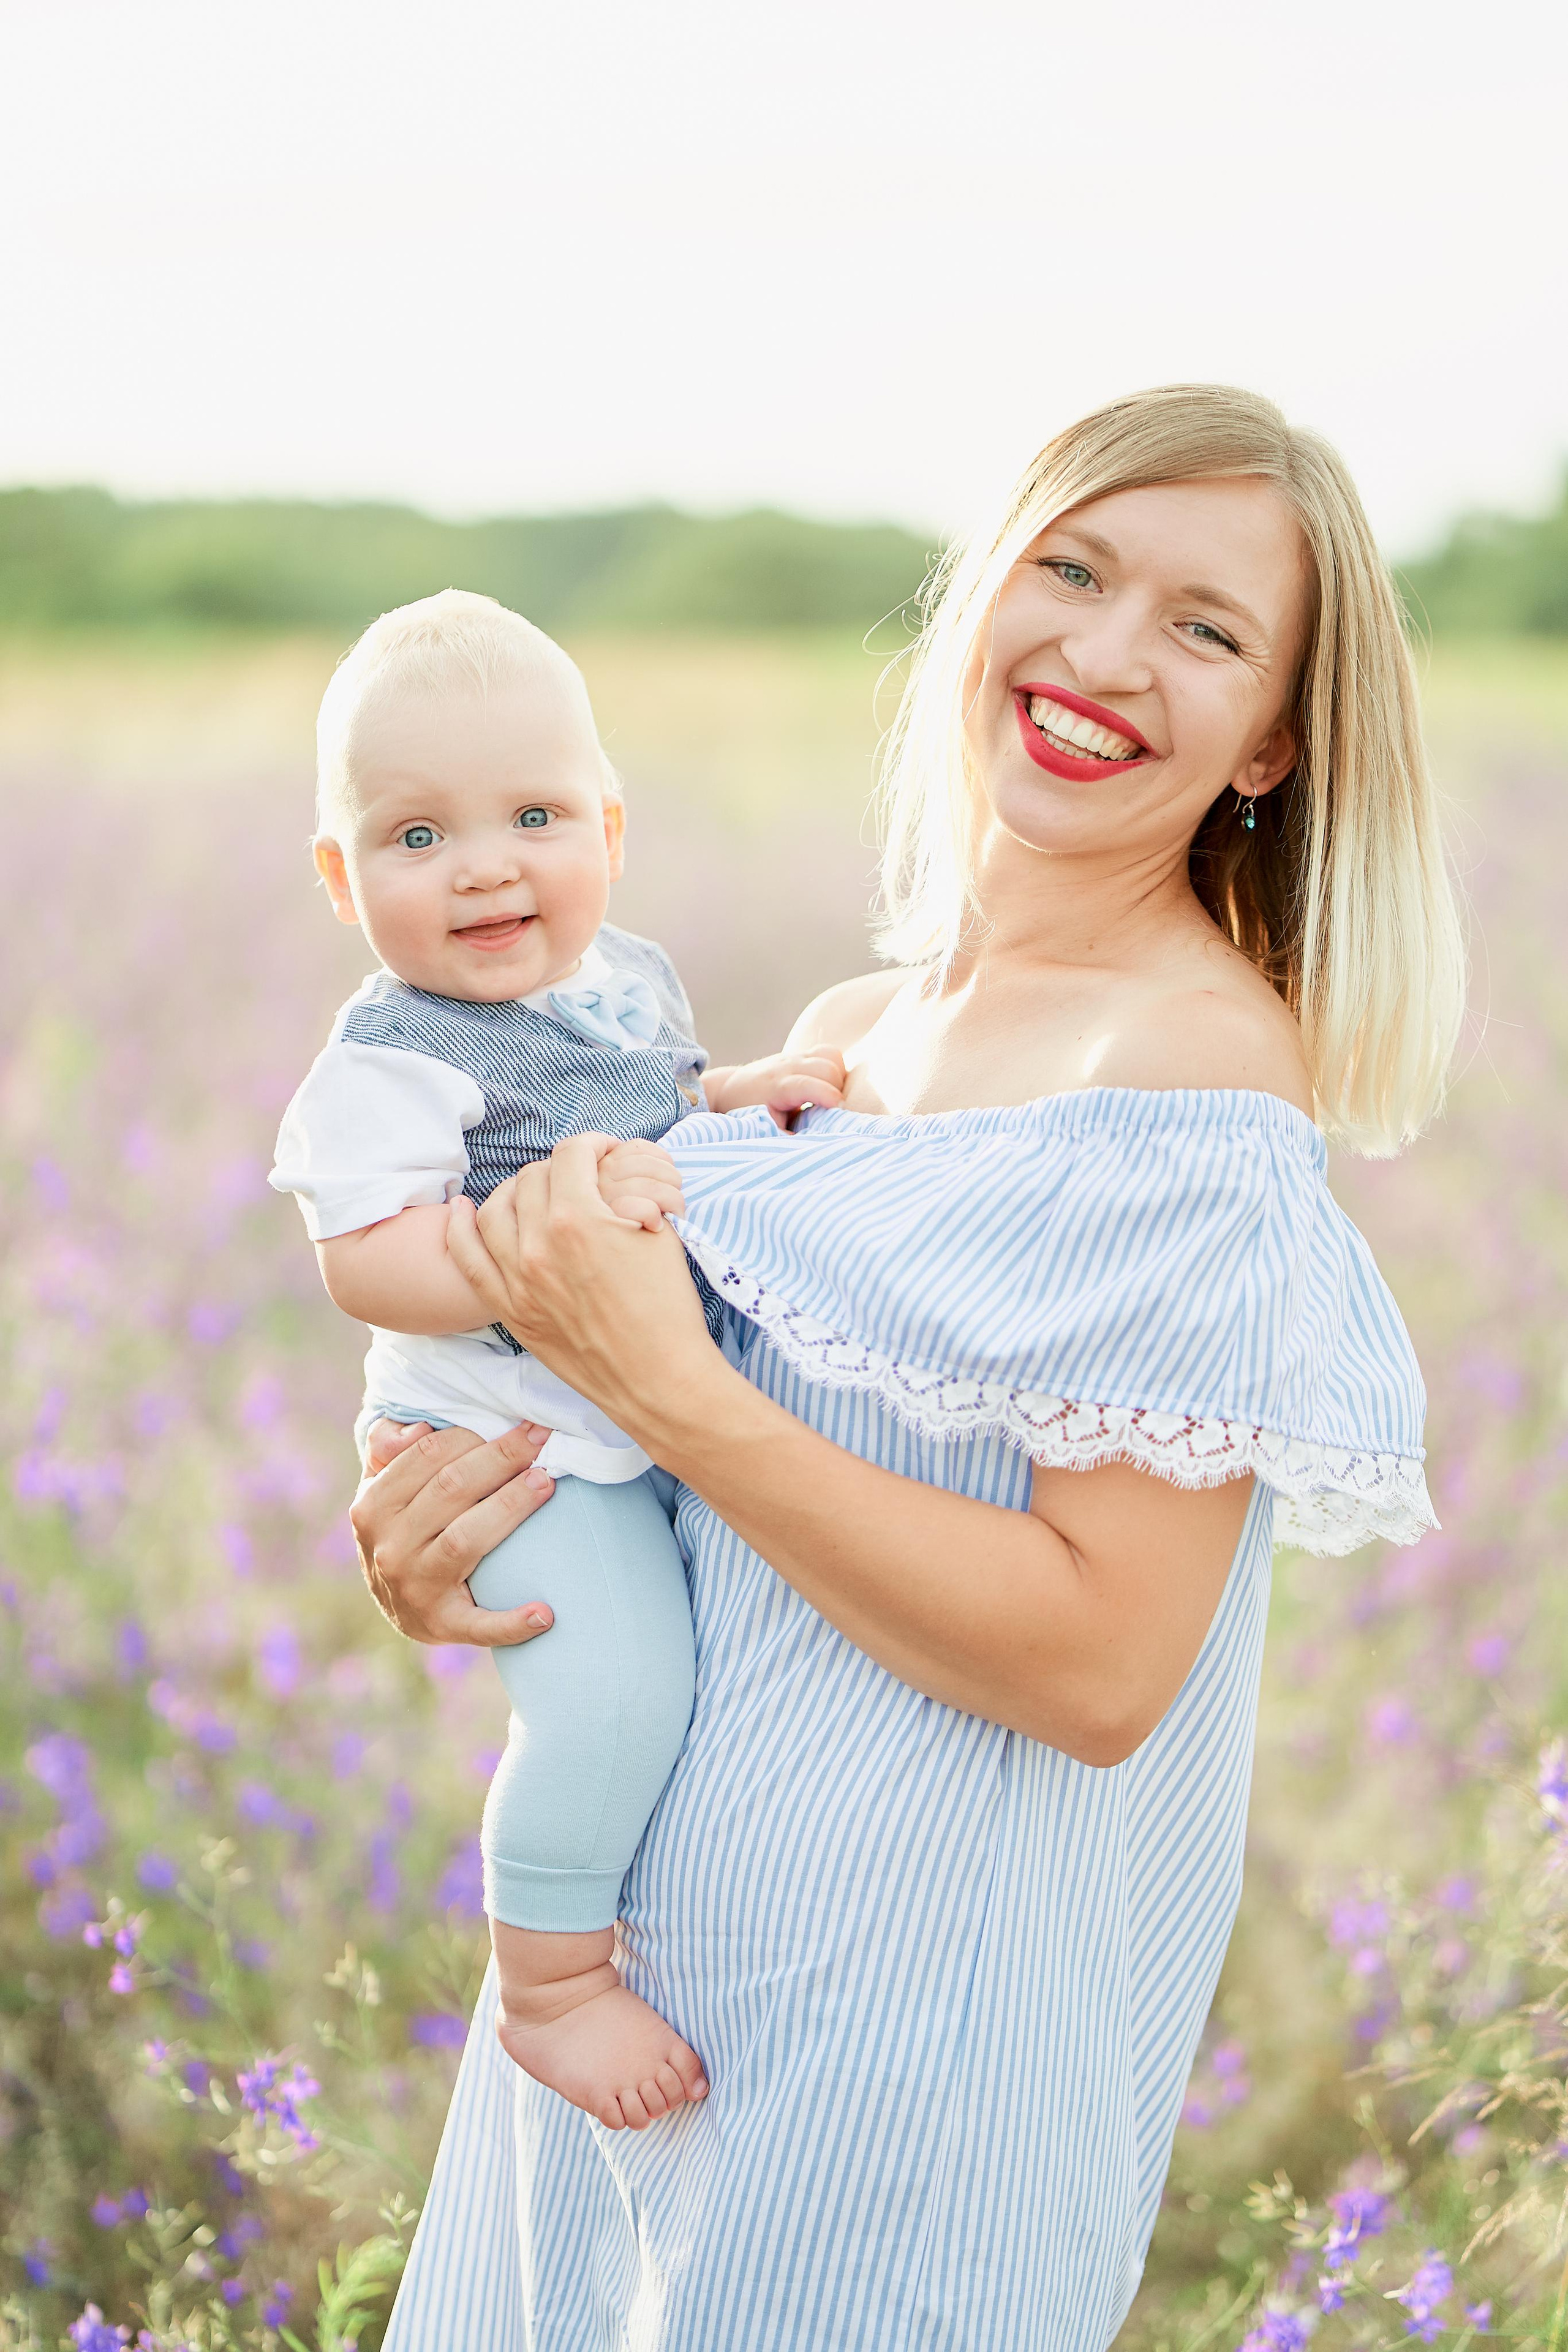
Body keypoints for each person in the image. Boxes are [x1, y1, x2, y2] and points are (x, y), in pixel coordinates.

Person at [353, 385, 1466, 2350]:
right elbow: (708, 1514)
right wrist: (474, 1541)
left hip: (900, 2080)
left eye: (1207, 631)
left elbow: (1102, 1667)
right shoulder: (848, 1034)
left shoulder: (1185, 1078)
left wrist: (679, 1389)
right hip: (634, 2008)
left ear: (1276, 739)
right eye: (1076, 568)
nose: (1108, 655)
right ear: (984, 599)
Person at [269, 590, 845, 2129]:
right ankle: (554, 1985)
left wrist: (733, 1095)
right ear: (342, 877)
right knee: (612, 1693)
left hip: (633, 1414)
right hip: (518, 1446)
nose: (483, 866)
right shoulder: (390, 1059)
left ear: (607, 826)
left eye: (533, 815)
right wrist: (536, 1233)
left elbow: (655, 1096)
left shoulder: (620, 978)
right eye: (414, 838)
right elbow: (363, 1259)